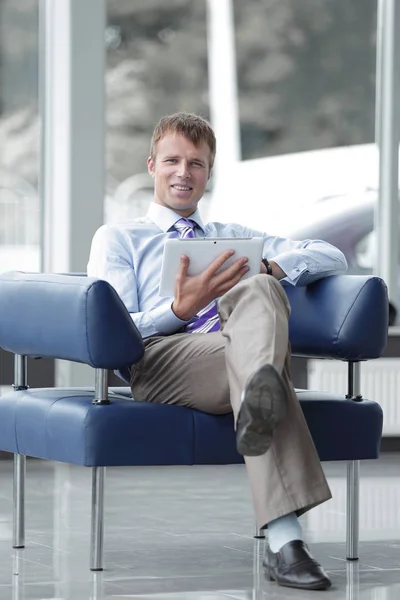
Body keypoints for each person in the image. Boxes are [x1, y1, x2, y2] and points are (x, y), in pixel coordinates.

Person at [87, 112, 348, 591]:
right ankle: (285, 540)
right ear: (152, 166)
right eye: (172, 161)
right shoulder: (120, 238)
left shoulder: (233, 237)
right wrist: (179, 307)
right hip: (160, 358)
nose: (183, 173)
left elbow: (332, 255)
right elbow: (117, 329)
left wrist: (269, 265)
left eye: (197, 164)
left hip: (234, 352)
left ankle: (285, 540)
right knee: (262, 369)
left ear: (209, 174)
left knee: (263, 291)